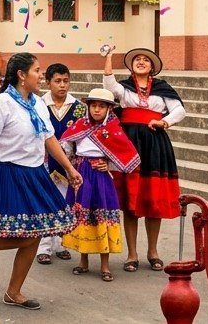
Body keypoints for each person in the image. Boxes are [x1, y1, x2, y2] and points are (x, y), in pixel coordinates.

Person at [0, 52, 82, 311]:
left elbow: (48, 138)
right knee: (23, 233)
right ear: (22, 75)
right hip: (8, 172)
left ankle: (14, 291)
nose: (41, 75)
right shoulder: (2, 103)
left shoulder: (38, 104)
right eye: (37, 71)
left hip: (35, 174)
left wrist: (69, 169)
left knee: (35, 234)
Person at [100, 47, 185, 273]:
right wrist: (109, 58)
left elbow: (179, 111)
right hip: (129, 144)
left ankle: (153, 251)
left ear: (152, 67)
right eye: (137, 59)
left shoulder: (162, 88)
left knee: (152, 199)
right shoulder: (125, 88)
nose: (140, 62)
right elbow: (109, 85)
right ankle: (132, 254)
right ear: (131, 65)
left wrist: (164, 122)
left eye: (145, 60)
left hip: (155, 144)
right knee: (131, 201)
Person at [59, 88, 137, 282]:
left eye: (101, 106)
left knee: (102, 216)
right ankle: (83, 260)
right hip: (82, 174)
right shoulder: (80, 125)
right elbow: (66, 144)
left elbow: (129, 156)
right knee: (83, 215)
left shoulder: (114, 129)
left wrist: (108, 164)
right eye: (93, 105)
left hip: (101, 177)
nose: (96, 110)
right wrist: (71, 166)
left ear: (109, 109)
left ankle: (105, 264)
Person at [36, 63, 87, 265]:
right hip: (44, 163)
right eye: (57, 81)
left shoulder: (79, 108)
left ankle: (60, 244)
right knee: (45, 204)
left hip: (69, 164)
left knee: (65, 204)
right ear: (48, 82)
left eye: (66, 81)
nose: (62, 85)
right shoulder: (39, 105)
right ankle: (43, 247)